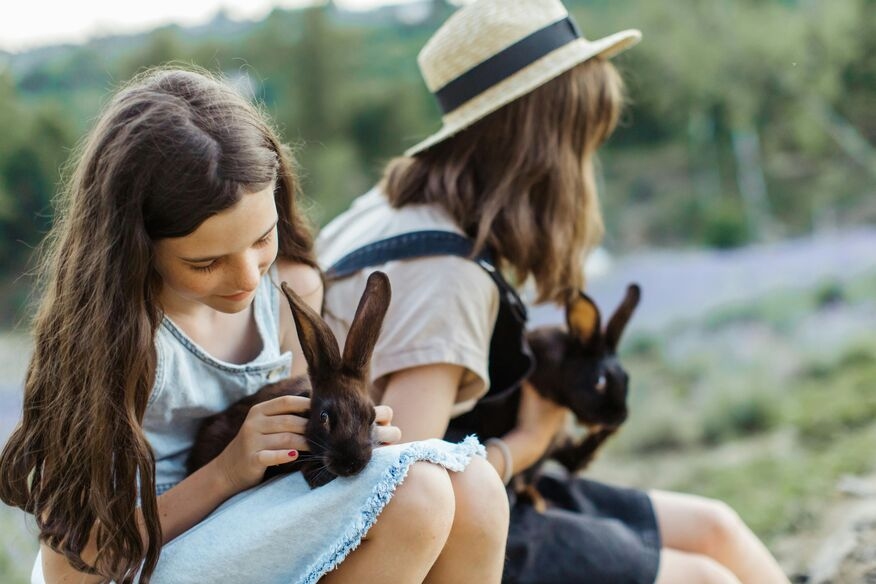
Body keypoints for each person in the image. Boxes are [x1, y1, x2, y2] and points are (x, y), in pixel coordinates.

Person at [317, 0, 791, 582]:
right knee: (703, 578)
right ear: (541, 151)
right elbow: (401, 494)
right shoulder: (448, 274)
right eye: (582, 142)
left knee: (716, 527)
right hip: (467, 538)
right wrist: (532, 437)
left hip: (499, 489)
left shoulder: (387, 208)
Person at [0, 67, 509, 584]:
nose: (247, 278)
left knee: (475, 488)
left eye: (263, 238)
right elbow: (72, 573)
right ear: (136, 249)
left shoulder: (291, 291)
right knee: (415, 495)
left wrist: (354, 435)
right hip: (135, 562)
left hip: (246, 525)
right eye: (206, 263)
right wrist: (227, 471)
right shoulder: (113, 341)